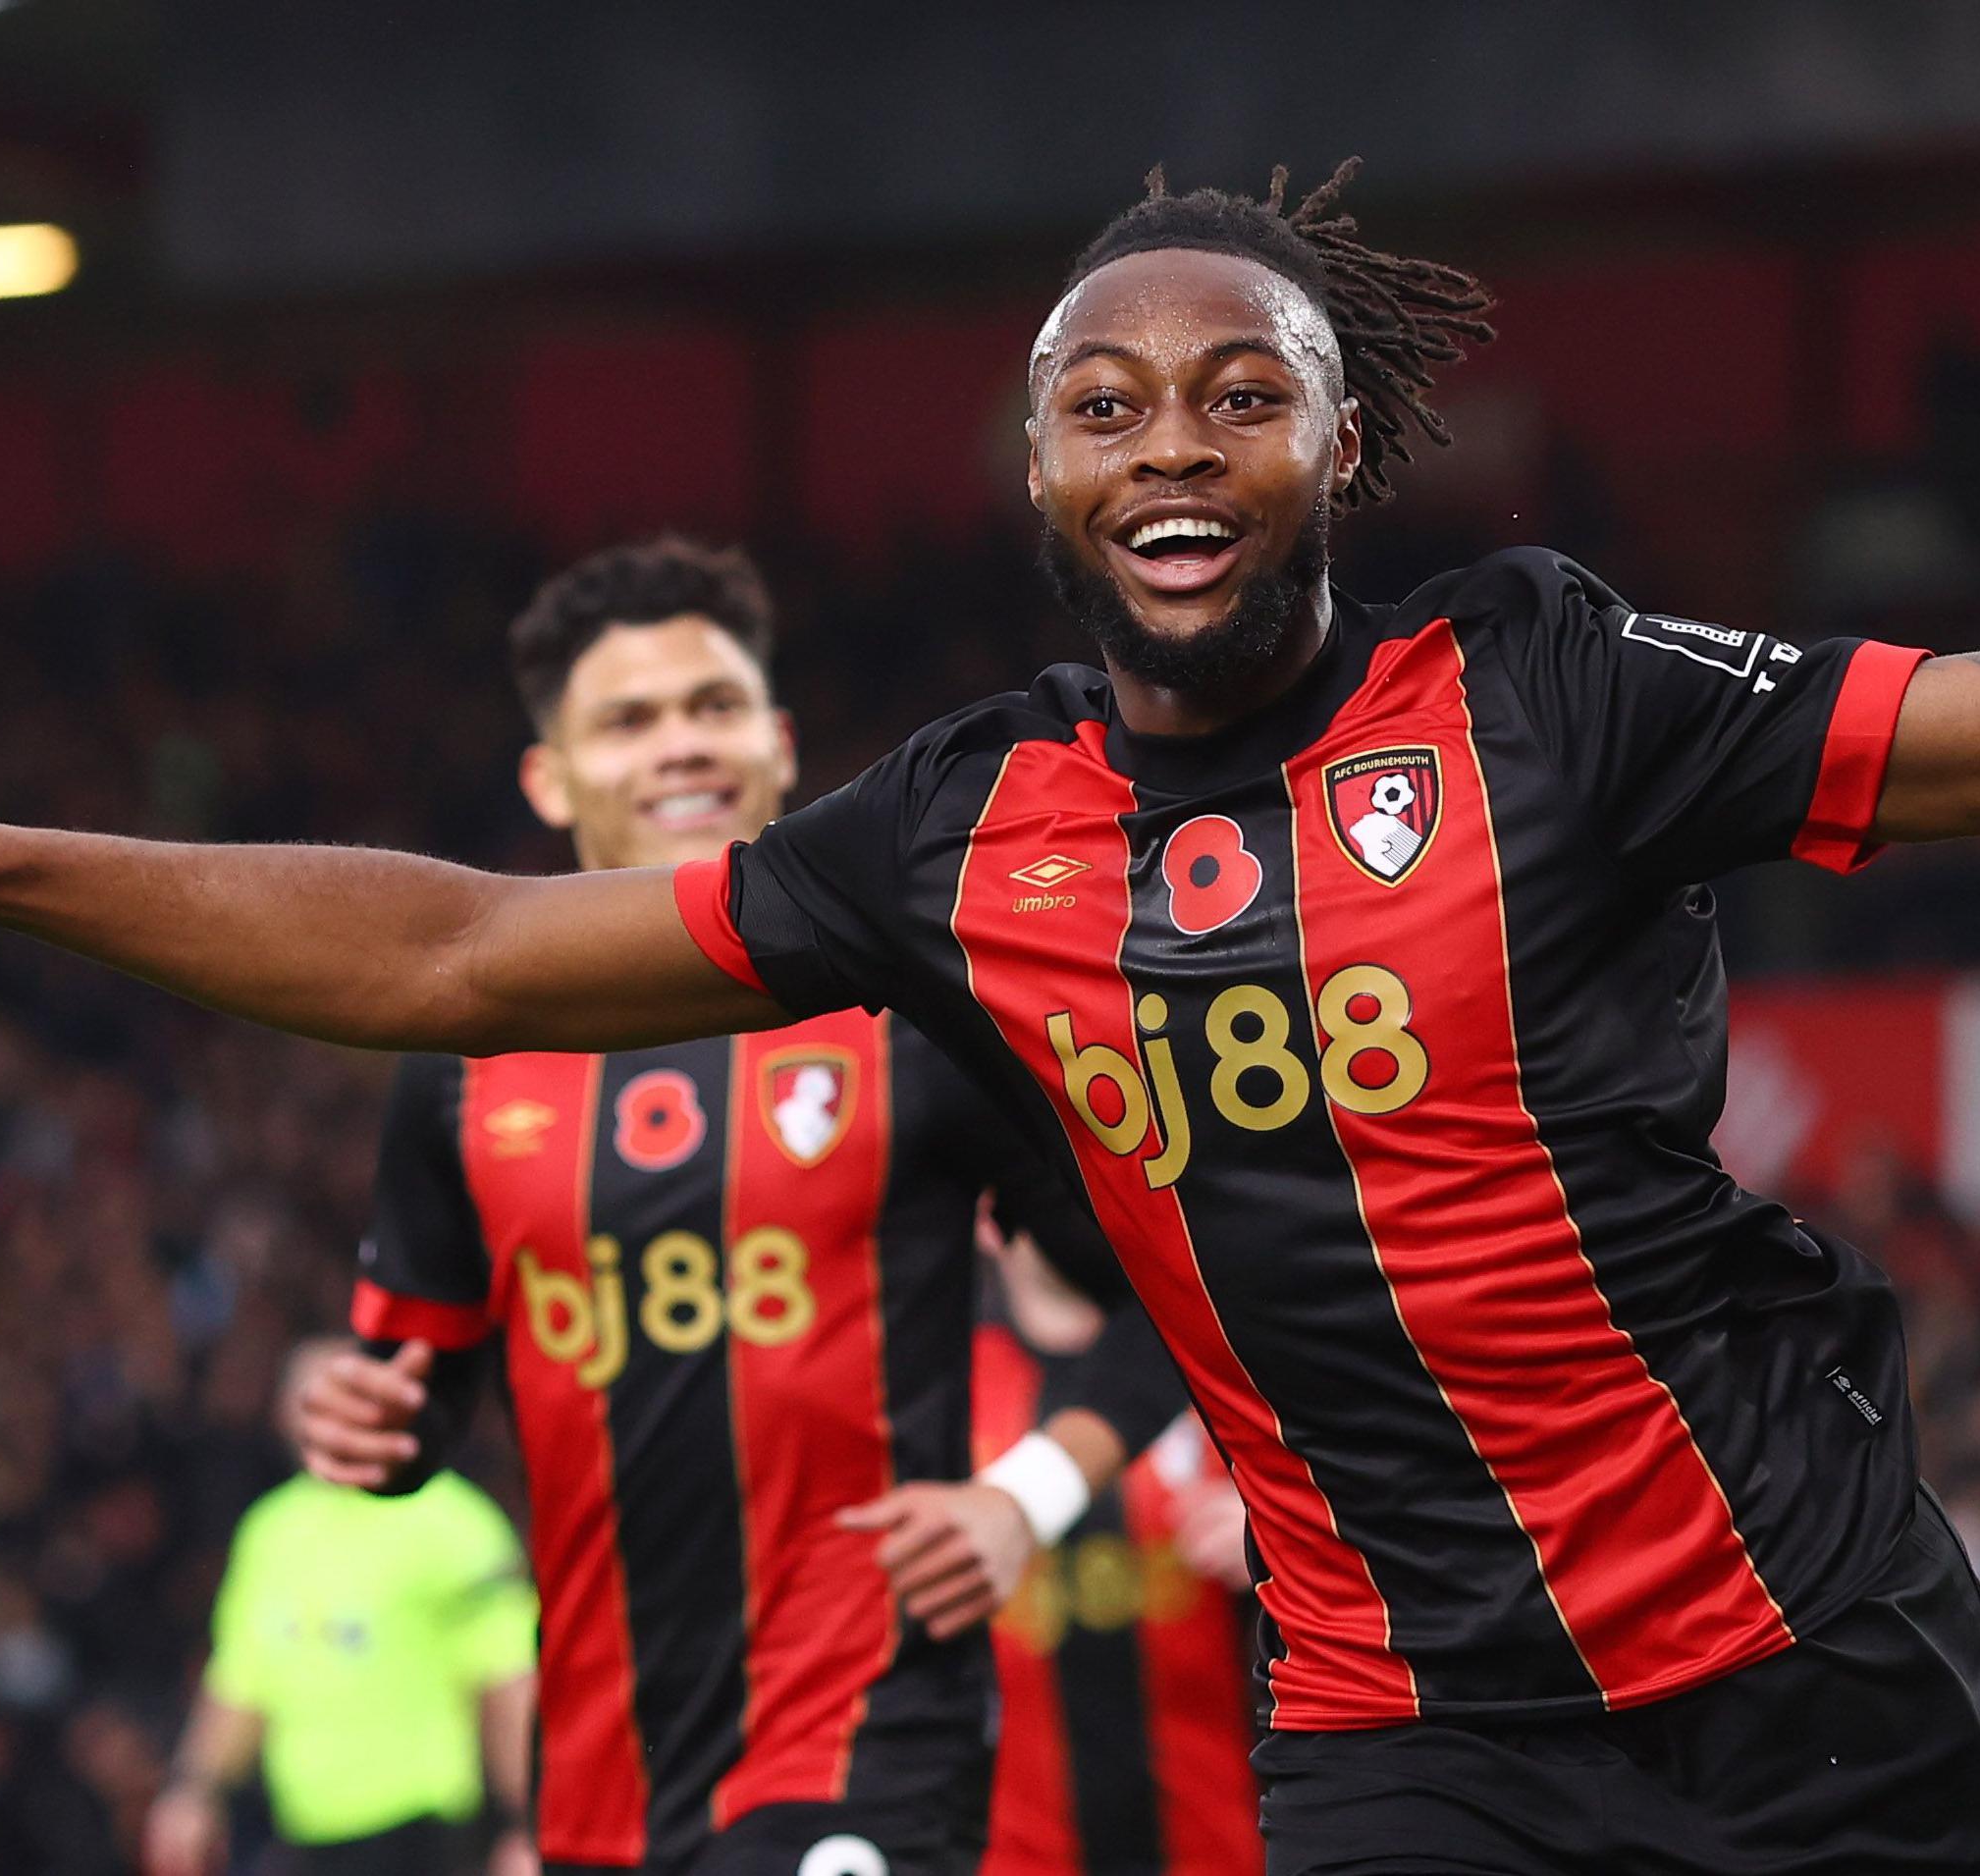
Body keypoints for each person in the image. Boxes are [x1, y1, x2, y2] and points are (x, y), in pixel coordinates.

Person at [0, 159, 1980, 1871]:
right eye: (1106, 402)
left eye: (1238, 386)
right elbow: (453, 953)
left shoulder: (1544, 682)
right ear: (1040, 480)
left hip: (1804, 1682)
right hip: (1408, 1738)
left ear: (1341, 439)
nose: (1171, 435)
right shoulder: (954, 835)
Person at [277, 537, 1184, 1875]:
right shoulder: (464, 1075)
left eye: (711, 706)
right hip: (600, 1777)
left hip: (866, 1733)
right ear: (549, 774)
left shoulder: (911, 1015)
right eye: (629, 718)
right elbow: (419, 1389)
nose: (679, 744)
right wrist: (369, 1420)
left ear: (775, 739)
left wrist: (1028, 1493)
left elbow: (1175, 1280)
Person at [143, 1339, 540, 1876]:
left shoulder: (452, 1521)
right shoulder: (271, 1532)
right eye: (307, 1399)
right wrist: (193, 1790)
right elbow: (241, 1680)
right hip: (308, 1835)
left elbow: (508, 1680)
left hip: (426, 1834)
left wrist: (526, 1826)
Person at [969, 1209, 1258, 1876]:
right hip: (1017, 1854)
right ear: (989, 1216)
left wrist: (1283, 1536)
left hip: (1223, 1844)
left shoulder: (1224, 1366)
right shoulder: (944, 1386)